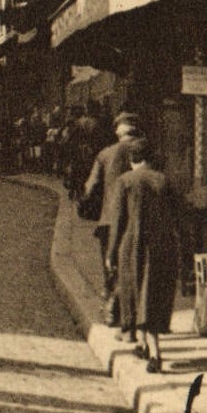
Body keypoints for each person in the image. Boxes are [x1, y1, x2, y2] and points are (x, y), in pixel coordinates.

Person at [106, 133, 181, 372]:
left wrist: (110, 253)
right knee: (153, 295)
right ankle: (144, 345)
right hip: (163, 246)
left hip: (133, 247)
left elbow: (118, 221)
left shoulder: (125, 181)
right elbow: (179, 216)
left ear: (132, 159)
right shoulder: (165, 181)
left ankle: (155, 353)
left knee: (137, 293)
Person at [82, 113, 143, 322]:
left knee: (111, 263)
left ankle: (111, 308)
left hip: (109, 218)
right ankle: (134, 312)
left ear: (118, 131)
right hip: (139, 218)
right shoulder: (146, 151)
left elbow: (90, 188)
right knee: (137, 265)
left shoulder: (106, 154)